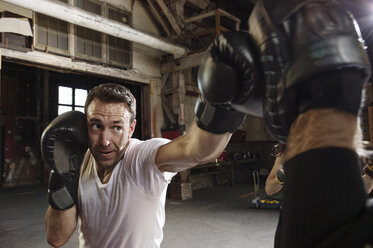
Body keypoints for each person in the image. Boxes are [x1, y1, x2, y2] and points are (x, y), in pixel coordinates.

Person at [195, 0, 373, 246]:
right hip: (288, 224)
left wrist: (325, 94)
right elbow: (270, 188)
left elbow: (338, 224)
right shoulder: (285, 152)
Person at [42, 83, 246, 247]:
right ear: (85, 125)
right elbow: (56, 238)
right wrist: (62, 174)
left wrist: (227, 99)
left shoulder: (141, 158)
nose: (105, 140)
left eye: (116, 128)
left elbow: (195, 150)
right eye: (97, 126)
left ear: (131, 128)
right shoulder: (79, 161)